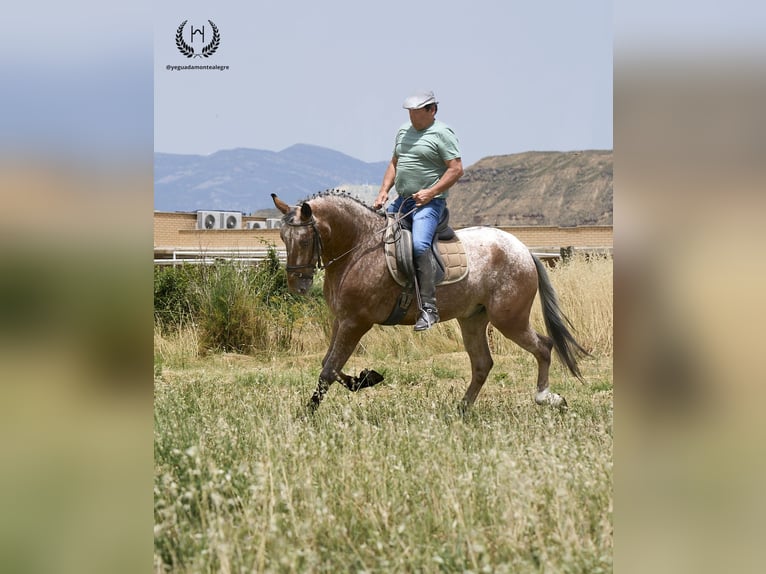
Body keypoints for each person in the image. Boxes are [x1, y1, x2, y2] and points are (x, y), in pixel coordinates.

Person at [373, 90, 464, 331]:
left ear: (431, 110)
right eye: (409, 112)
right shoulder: (404, 132)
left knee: (419, 246)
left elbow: (455, 169)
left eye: (417, 112)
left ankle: (429, 309)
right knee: (378, 238)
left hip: (429, 204)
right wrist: (383, 191)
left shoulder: (442, 133)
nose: (412, 117)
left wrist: (431, 192)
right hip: (402, 201)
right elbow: (395, 162)